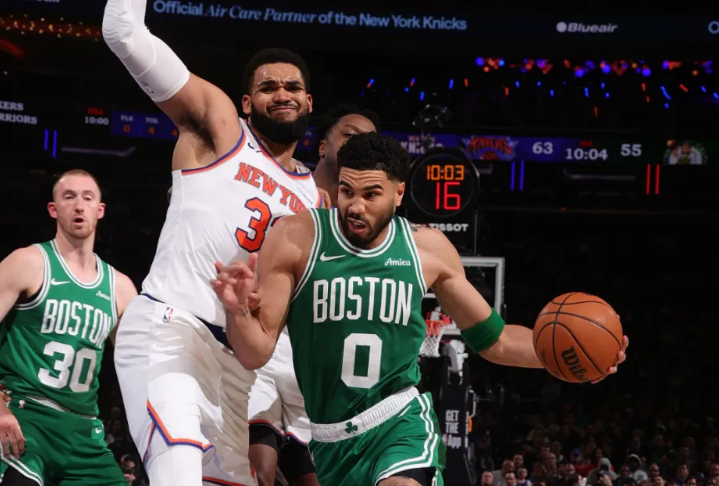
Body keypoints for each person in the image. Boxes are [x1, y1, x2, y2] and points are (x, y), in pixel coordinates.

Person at [211, 132, 630, 486]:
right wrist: (236, 312)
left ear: (398, 193)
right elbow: (255, 353)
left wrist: (567, 359)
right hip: (329, 439)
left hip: (399, 421)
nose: (355, 206)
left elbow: (496, 339)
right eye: (347, 191)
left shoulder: (426, 249)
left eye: (371, 194)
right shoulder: (296, 238)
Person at [102, 0, 324, 483]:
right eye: (267, 87)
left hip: (238, 365)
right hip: (172, 328)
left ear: (309, 102)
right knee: (177, 470)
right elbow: (122, 31)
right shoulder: (221, 129)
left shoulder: (315, 200)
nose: (281, 94)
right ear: (246, 102)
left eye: (292, 87)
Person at [247, 102, 379, 486]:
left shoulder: (366, 226)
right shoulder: (283, 184)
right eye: (350, 135)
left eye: (369, 140)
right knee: (258, 472)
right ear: (323, 146)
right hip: (263, 347)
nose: (359, 144)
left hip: (313, 366)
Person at [0, 169, 137, 486]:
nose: (79, 205)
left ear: (100, 210)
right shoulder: (28, 262)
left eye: (87, 198)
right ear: (53, 209)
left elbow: (142, 366)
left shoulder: (120, 288)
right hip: (26, 418)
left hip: (84, 433)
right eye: (69, 197)